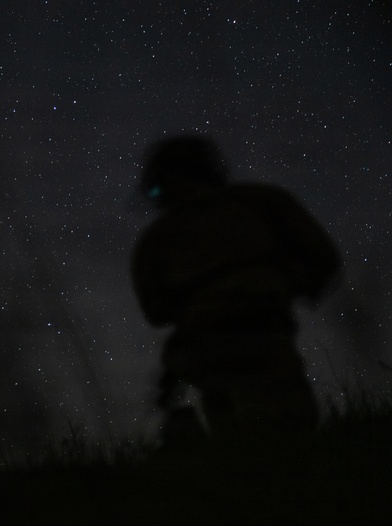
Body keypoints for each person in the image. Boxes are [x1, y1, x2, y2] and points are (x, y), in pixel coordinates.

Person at [131, 135, 341, 443]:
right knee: (291, 430)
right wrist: (282, 284)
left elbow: (156, 311)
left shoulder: (156, 238)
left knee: (236, 439)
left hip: (205, 347)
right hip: (267, 330)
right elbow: (323, 258)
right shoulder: (261, 201)